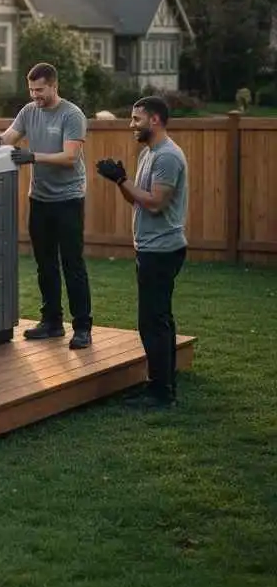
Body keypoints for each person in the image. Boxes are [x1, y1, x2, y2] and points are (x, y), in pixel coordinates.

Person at [0, 62, 94, 349]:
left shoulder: (72, 115)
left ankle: (82, 327)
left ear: (54, 86)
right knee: (45, 265)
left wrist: (32, 157)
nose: (35, 95)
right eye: (31, 90)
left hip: (68, 199)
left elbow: (70, 157)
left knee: (73, 264)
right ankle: (52, 322)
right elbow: (9, 138)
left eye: (40, 90)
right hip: (40, 199)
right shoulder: (28, 111)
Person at [95, 95, 188, 407]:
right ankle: (163, 384)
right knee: (158, 319)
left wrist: (123, 178)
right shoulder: (149, 154)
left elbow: (156, 203)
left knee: (153, 321)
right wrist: (120, 181)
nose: (131, 124)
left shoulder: (168, 157)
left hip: (162, 250)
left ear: (155, 120)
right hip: (150, 247)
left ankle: (161, 392)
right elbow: (137, 199)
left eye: (137, 119)